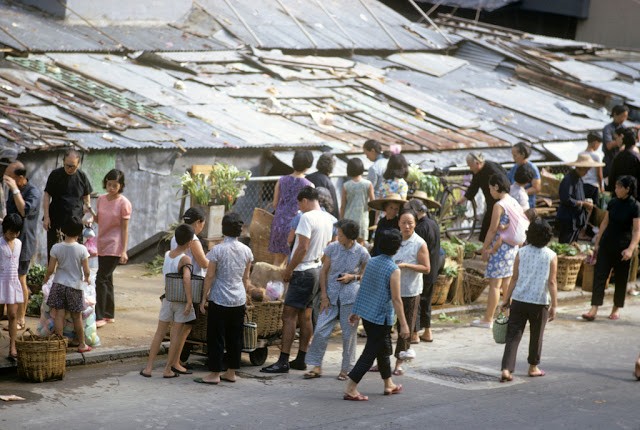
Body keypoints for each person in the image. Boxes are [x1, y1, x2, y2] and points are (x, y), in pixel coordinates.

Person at [261, 186, 335, 373]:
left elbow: (302, 247)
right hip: (317, 269)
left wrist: (289, 269)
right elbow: (330, 246)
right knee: (306, 315)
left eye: (299, 204)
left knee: (289, 315)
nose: (299, 208)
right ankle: (301, 358)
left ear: (304, 201)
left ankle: (283, 360)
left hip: (303, 271)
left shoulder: (306, 217)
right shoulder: (329, 219)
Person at [342, 229, 408, 401]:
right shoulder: (394, 269)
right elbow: (396, 299)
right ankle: (351, 387)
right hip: (381, 318)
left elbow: (364, 288)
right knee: (371, 352)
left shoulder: (372, 262)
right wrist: (405, 324)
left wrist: (356, 311)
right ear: (397, 248)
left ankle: (389, 384)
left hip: (368, 315)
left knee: (383, 349)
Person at [304, 219, 370, 381]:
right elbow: (323, 272)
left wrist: (353, 277)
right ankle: (316, 366)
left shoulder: (362, 252)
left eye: (340, 234)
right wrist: (324, 296)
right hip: (330, 297)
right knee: (320, 330)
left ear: (350, 237)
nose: (337, 236)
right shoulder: (332, 248)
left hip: (351, 298)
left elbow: (366, 275)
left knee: (348, 335)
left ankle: (346, 369)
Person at [195, 213, 253, 385]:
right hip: (238, 298)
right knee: (235, 337)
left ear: (223, 229)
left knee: (216, 337)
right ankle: (231, 372)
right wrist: (247, 295)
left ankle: (214, 374)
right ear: (239, 231)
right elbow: (246, 278)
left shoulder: (217, 250)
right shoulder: (247, 251)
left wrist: (204, 298)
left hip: (219, 298)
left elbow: (210, 276)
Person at [499, 218, 558, 382]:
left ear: (529, 235)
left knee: (513, 336)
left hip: (519, 299)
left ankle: (506, 369)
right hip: (540, 302)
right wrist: (554, 305)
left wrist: (505, 300)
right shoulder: (551, 256)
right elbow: (552, 282)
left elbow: (514, 279)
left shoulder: (521, 252)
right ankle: (533, 367)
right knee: (536, 335)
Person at [141, 224, 196, 378]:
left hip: (167, 298)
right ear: (190, 242)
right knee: (176, 336)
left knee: (159, 333)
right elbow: (187, 279)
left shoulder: (167, 254)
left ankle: (148, 368)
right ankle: (167, 369)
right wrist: (190, 301)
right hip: (180, 301)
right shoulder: (186, 259)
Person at [582, 176, 640, 322]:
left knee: (621, 279)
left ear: (627, 189)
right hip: (607, 244)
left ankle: (616, 308)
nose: (616, 190)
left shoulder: (635, 206)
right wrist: (597, 242)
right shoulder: (613, 202)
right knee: (600, 276)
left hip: (623, 248)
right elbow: (604, 223)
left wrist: (631, 249)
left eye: (619, 187)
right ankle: (594, 308)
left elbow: (636, 231)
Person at [473, 174, 526, 328]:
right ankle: (505, 316)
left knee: (495, 285)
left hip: (500, 248)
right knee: (507, 284)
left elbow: (492, 229)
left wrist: (485, 248)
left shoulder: (500, 205)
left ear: (496, 187)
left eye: (490, 188)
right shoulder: (513, 201)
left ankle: (488, 319)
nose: (490, 191)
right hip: (512, 248)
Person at [43, 216, 92, 353]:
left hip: (58, 284)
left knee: (59, 314)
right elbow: (86, 270)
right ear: (79, 232)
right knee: (77, 316)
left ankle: (60, 344)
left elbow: (51, 269)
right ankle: (82, 344)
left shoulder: (56, 247)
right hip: (74, 286)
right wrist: (87, 279)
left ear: (63, 231)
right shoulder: (82, 249)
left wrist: (46, 279)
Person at [3, 161, 42, 331]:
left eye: (9, 178)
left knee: (21, 279)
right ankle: (10, 314)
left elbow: (24, 211)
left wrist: (15, 190)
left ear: (20, 178)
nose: (6, 180)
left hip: (24, 242)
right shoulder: (12, 191)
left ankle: (21, 319)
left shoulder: (32, 192)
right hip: (9, 241)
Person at [392, 209, 430, 376]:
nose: (407, 226)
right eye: (403, 223)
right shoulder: (394, 239)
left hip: (410, 290)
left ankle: (399, 362)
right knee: (386, 326)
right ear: (398, 223)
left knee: (404, 326)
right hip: (392, 289)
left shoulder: (419, 243)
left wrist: (407, 265)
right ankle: (382, 360)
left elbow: (426, 268)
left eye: (410, 223)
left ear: (415, 224)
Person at [93, 169, 132, 328]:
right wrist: (89, 212)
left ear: (121, 185)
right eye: (109, 184)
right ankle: (109, 314)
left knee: (100, 279)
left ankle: (100, 316)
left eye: (115, 185)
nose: (111, 188)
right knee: (107, 279)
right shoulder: (101, 199)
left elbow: (124, 229)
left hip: (115, 245)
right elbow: (99, 220)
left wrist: (124, 250)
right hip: (102, 243)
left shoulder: (124, 203)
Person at [42, 149, 93, 258]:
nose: (69, 169)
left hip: (75, 222)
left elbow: (86, 196)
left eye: (73, 166)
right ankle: (53, 274)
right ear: (63, 161)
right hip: (56, 220)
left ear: (78, 164)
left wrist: (87, 212)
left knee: (75, 254)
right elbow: (47, 195)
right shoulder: (55, 174)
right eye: (67, 165)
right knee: (54, 253)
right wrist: (46, 217)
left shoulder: (82, 176)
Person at [405, 193, 442, 343]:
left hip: (422, 270)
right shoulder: (433, 223)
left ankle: (414, 334)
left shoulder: (420, 228)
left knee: (417, 302)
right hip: (433, 268)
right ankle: (428, 332)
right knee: (426, 302)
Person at [268, 150, 314, 266]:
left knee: (277, 261)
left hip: (279, 223)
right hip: (296, 226)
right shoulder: (309, 185)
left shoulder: (281, 180)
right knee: (291, 261)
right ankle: (283, 284)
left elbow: (275, 204)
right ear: (308, 166)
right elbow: (310, 210)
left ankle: (273, 284)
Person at [460, 152, 509, 242]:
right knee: (487, 223)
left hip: (499, 200)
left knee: (494, 224)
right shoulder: (477, 172)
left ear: (477, 163)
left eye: (470, 166)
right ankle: (485, 245)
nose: (470, 168)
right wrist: (465, 198)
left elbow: (504, 182)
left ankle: (489, 246)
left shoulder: (491, 169)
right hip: (490, 200)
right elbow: (474, 186)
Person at [556, 154, 601, 244]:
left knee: (572, 244)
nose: (587, 172)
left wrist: (585, 202)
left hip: (575, 220)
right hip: (568, 219)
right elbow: (566, 198)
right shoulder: (568, 180)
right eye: (586, 170)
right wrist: (583, 203)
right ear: (580, 168)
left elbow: (578, 196)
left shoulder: (579, 179)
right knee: (566, 245)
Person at [0, 214, 24, 360]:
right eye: (10, 232)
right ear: (4, 230)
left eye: (16, 232)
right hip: (1, 281)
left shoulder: (19, 244)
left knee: (13, 315)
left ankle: (12, 346)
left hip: (13, 283)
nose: (13, 235)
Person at [341, 158, 375, 243]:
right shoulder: (368, 184)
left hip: (348, 218)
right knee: (360, 244)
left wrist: (341, 221)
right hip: (362, 218)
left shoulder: (346, 185)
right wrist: (366, 210)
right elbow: (372, 203)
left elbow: (343, 206)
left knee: (348, 244)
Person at [507, 142, 541, 209]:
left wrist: (521, 193)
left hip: (527, 204)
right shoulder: (515, 167)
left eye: (515, 155)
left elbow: (536, 188)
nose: (513, 158)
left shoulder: (532, 168)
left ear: (522, 155)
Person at [306, 152, 339, 219]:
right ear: (331, 166)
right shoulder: (328, 183)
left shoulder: (308, 177)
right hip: (324, 218)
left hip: (307, 214)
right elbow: (334, 207)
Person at [607, 128, 640, 193]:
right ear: (635, 140)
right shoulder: (637, 157)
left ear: (623, 140)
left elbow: (611, 178)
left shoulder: (618, 157)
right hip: (634, 194)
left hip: (619, 193)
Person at [602, 105, 630, 179]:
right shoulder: (608, 128)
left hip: (621, 161)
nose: (624, 119)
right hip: (609, 160)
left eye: (626, 117)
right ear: (615, 114)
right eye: (622, 116)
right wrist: (619, 140)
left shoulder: (624, 128)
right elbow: (609, 146)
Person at [580, 132, 604, 208]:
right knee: (594, 207)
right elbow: (599, 174)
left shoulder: (581, 154)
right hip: (593, 185)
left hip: (582, 184)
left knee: (583, 205)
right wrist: (601, 187)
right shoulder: (596, 156)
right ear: (595, 143)